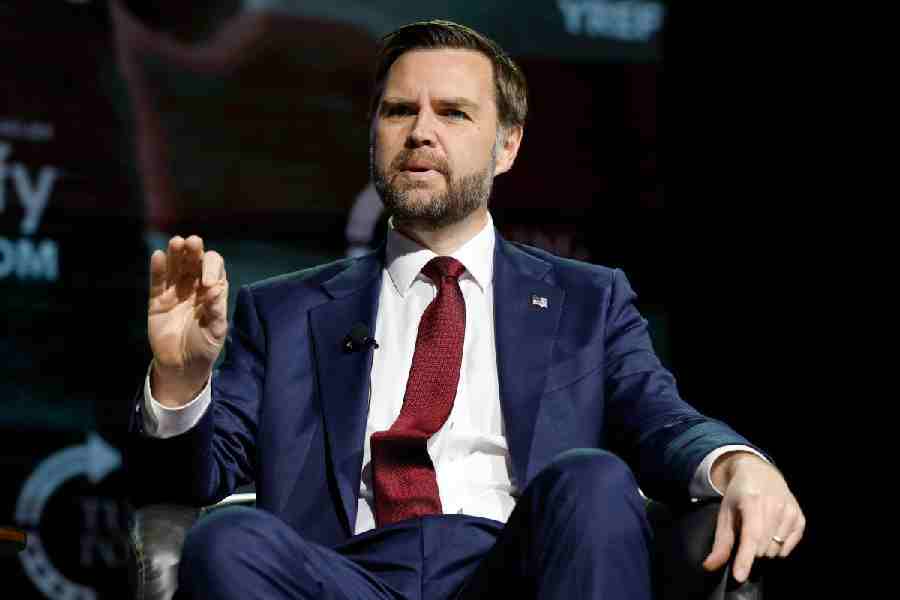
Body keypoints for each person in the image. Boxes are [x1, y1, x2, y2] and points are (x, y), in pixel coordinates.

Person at [126, 20, 804, 600]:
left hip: (518, 569)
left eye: (452, 112)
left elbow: (662, 421)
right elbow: (189, 483)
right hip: (343, 576)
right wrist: (183, 381)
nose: (421, 131)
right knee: (228, 540)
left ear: (506, 145)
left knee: (594, 480)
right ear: (373, 137)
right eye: (398, 111)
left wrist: (738, 463)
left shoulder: (588, 301)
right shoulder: (282, 311)